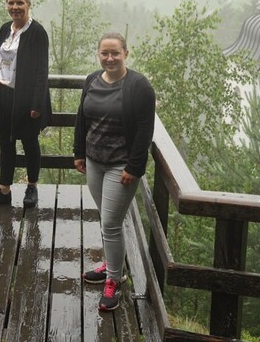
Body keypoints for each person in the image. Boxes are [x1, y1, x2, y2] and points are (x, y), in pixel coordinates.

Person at [73, 32, 155, 311]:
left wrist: (135, 166)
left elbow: (145, 129)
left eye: (115, 53)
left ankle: (114, 280)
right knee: (108, 220)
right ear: (98, 54)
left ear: (126, 53)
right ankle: (112, 262)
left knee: (110, 222)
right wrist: (79, 152)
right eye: (104, 53)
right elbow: (82, 118)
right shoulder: (92, 80)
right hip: (95, 161)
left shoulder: (139, 86)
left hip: (121, 166)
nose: (109, 58)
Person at [0, 0, 52, 209]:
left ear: (28, 5)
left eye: (20, 3)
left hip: (28, 98)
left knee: (30, 143)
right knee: (6, 143)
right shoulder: (4, 29)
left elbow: (42, 71)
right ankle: (4, 190)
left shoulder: (37, 32)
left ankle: (32, 187)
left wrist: (37, 103)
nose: (15, 7)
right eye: (11, 3)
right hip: (4, 96)